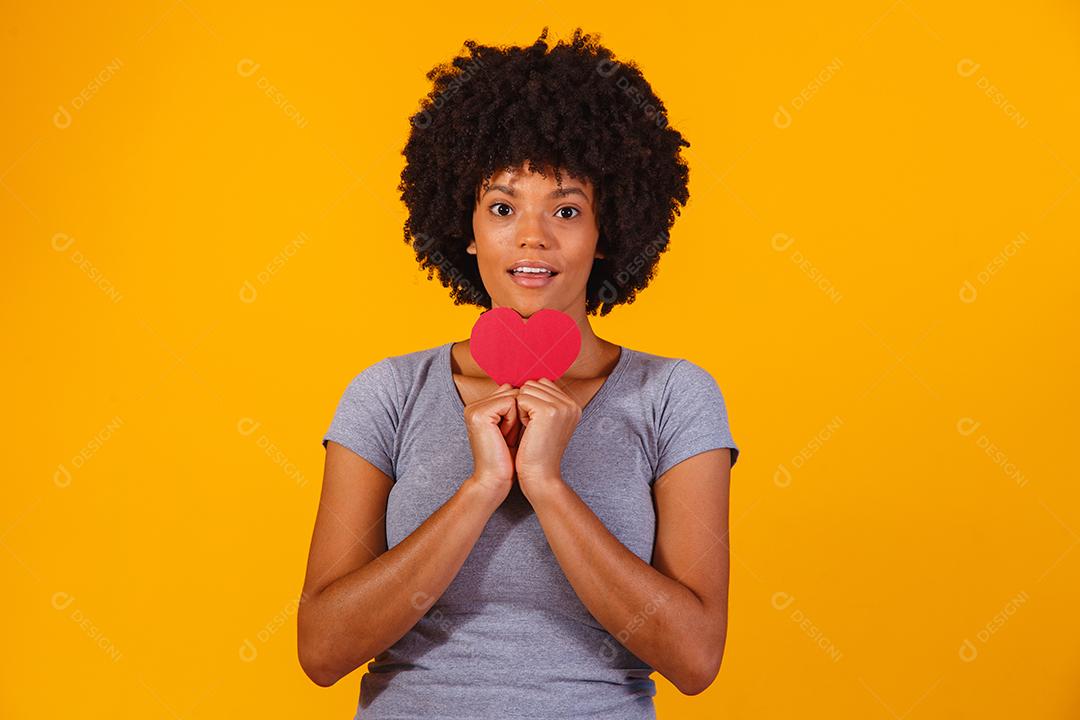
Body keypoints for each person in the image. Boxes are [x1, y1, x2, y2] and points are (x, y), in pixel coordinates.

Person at [298, 26, 740, 719]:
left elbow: (694, 658)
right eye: (503, 208)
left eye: (567, 210)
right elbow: (322, 650)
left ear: (606, 232)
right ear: (467, 227)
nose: (533, 236)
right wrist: (483, 487)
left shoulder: (673, 397)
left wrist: (546, 484)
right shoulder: (388, 394)